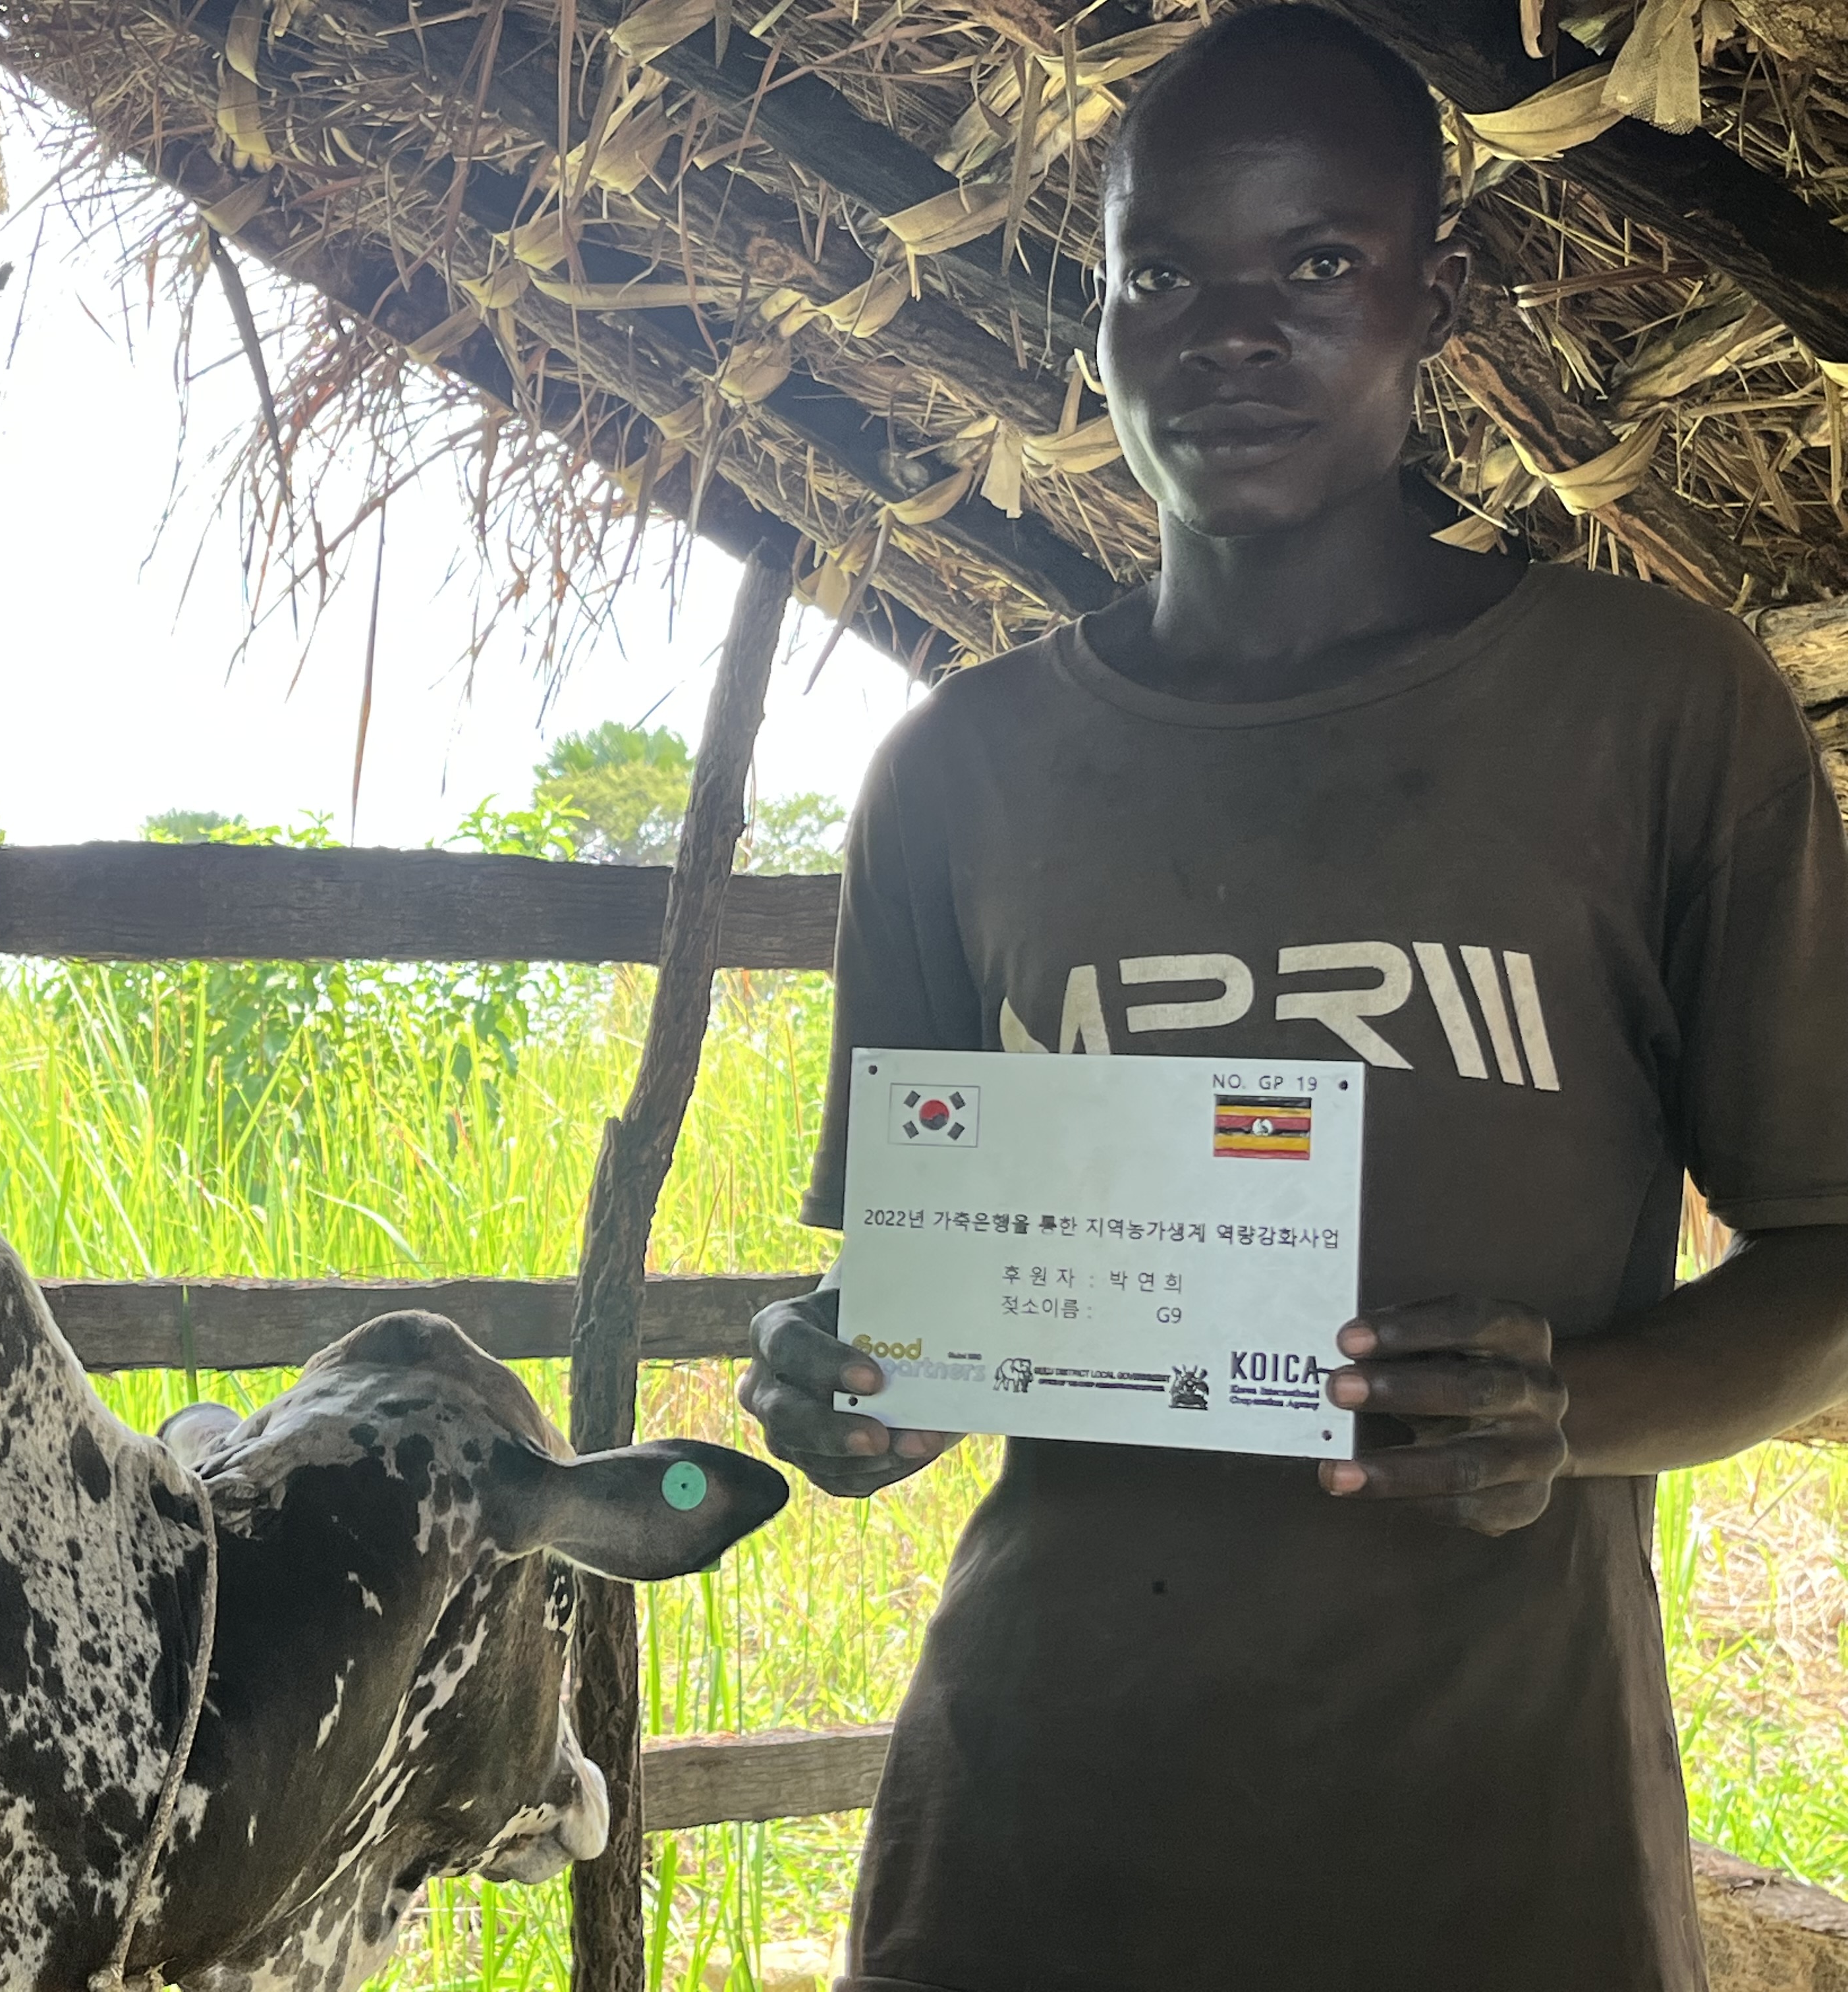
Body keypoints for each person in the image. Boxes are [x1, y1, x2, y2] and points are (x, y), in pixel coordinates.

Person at [736, 11, 1848, 1990]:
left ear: (1443, 293)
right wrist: (852, 1383)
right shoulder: (961, 774)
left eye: (1317, 264)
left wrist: (1571, 1413)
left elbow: (1830, 1255)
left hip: (1502, 1852)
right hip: (1032, 1846)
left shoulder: (1655, 713)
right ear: (1097, 314)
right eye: (1161, 274)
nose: (1229, 336)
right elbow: (917, 1293)